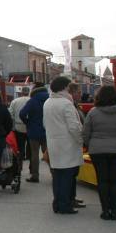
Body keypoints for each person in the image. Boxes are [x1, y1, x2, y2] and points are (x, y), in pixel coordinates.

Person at [83, 86, 116, 220]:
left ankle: (105, 210)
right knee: (115, 180)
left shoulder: (93, 112)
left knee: (102, 180)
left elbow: (85, 132)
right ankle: (114, 210)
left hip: (97, 150)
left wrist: (90, 144)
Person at [43, 76, 84, 214]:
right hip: (67, 145)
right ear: (64, 87)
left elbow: (45, 124)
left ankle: (58, 204)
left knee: (58, 177)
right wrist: (81, 140)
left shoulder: (48, 102)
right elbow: (74, 127)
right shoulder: (66, 103)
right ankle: (65, 205)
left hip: (54, 144)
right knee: (67, 177)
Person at [20, 85, 49, 183]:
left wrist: (28, 122)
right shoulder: (49, 99)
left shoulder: (32, 101)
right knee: (48, 154)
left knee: (34, 154)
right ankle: (55, 174)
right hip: (47, 131)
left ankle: (35, 176)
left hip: (34, 131)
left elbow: (22, 113)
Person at [8, 86, 31, 161]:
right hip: (30, 126)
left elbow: (10, 114)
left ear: (21, 92)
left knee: (20, 145)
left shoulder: (15, 101)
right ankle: (29, 157)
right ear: (29, 92)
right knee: (30, 144)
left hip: (18, 126)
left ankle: (20, 160)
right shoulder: (31, 100)